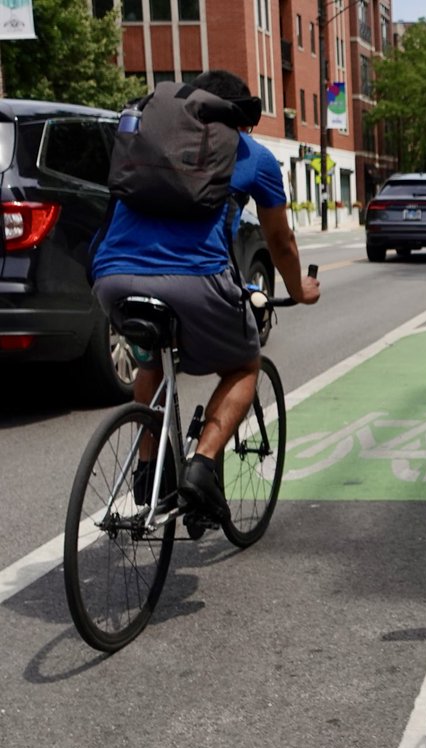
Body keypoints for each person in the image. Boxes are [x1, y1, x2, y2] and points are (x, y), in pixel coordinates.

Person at [92, 69, 320, 521]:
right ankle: (202, 467)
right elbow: (280, 242)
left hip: (112, 278)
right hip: (194, 281)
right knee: (243, 364)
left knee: (151, 362)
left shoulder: (145, 139)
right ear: (239, 119)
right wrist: (299, 289)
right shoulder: (251, 154)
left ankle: (147, 470)